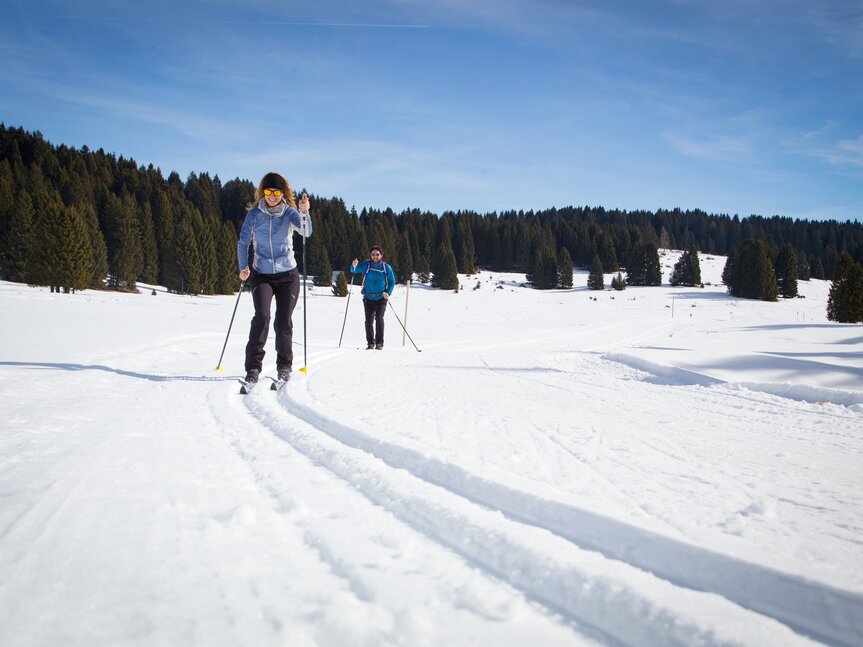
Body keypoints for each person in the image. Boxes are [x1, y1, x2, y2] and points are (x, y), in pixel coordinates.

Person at [237, 172, 312, 383]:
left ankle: (284, 366)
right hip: (262, 274)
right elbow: (243, 243)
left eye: (276, 192)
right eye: (269, 191)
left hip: (288, 275)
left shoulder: (289, 212)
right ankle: (253, 368)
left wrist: (304, 213)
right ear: (263, 191)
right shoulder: (254, 215)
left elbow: (305, 232)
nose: (272, 196)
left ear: (282, 193)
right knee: (262, 316)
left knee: (283, 321)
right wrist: (243, 267)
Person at [351, 245, 396, 350]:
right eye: (373, 254)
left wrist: (388, 292)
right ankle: (370, 343)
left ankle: (379, 343)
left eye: (377, 254)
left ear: (381, 255)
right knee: (368, 321)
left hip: (381, 298)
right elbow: (354, 270)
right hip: (368, 298)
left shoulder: (386, 267)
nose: (375, 256)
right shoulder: (366, 265)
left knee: (379, 319)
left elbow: (392, 281)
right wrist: (353, 265)